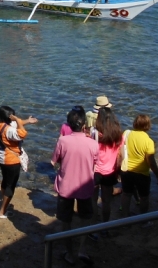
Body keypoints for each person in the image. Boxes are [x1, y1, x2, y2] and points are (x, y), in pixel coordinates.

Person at [52, 108, 99, 265]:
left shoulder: (62, 141)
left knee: (66, 221)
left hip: (66, 186)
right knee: (85, 218)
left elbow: (55, 160)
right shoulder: (93, 144)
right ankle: (82, 249)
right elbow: (96, 163)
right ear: (84, 124)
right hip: (85, 186)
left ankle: (70, 253)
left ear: (69, 125)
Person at [0, 105, 38, 219]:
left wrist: (27, 120)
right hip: (11, 161)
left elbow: (15, 125)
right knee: (10, 186)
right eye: (12, 116)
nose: (15, 117)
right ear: (9, 117)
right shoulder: (9, 130)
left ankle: (4, 202)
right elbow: (22, 134)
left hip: (1, 158)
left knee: (5, 180)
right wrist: (18, 120)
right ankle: (2, 212)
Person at [121, 114, 158, 218]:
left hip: (126, 170)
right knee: (144, 197)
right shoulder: (148, 141)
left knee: (126, 194)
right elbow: (151, 162)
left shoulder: (127, 134)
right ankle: (143, 219)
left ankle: (125, 216)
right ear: (148, 126)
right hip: (142, 173)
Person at [92, 108, 123, 228]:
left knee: (93, 200)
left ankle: (93, 225)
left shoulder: (95, 134)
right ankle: (105, 226)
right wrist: (119, 171)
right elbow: (120, 156)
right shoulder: (118, 135)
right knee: (106, 201)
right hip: (110, 172)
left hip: (95, 171)